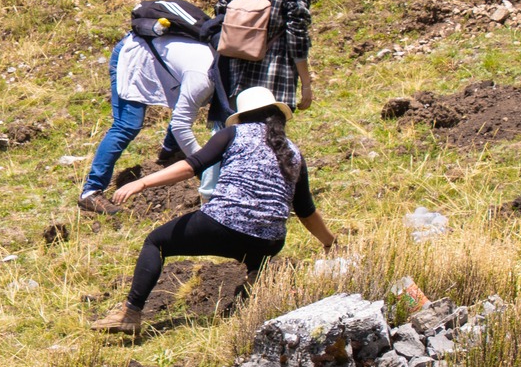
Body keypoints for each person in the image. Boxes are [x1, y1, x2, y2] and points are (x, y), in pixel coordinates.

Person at [92, 87, 337, 334]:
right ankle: (252, 297)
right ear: (277, 116)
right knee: (257, 259)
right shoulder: (293, 153)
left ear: (241, 116)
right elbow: (305, 211)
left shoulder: (233, 133)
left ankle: (130, 312)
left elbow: (191, 166)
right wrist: (330, 242)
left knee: (156, 242)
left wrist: (143, 182)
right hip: (268, 241)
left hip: (223, 225)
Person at [78, 18, 223, 216]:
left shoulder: (218, 71)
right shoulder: (202, 79)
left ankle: (169, 151)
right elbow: (181, 125)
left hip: (161, 58)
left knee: (186, 106)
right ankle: (91, 192)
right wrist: (202, 164)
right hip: (133, 54)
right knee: (127, 125)